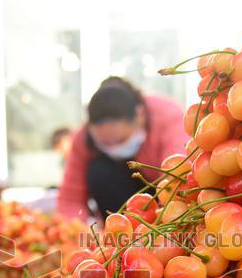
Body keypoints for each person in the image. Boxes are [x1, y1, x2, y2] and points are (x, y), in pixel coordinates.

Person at [57, 77, 188, 220]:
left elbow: (178, 177)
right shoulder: (83, 138)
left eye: (120, 140)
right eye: (105, 143)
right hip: (118, 206)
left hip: (160, 195)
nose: (114, 148)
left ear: (140, 115)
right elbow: (70, 199)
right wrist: (75, 230)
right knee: (99, 171)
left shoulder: (168, 116)